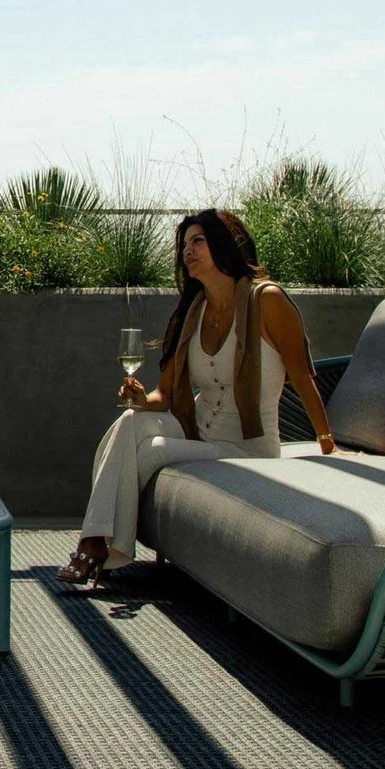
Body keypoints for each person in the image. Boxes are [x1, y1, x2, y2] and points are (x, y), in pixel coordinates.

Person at [56, 209, 337, 587]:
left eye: (197, 241)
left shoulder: (266, 299)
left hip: (246, 446)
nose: (187, 251)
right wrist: (141, 400)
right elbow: (166, 395)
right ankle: (97, 545)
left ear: (223, 244)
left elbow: (303, 377)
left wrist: (326, 441)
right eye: (183, 245)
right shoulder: (194, 310)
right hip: (198, 431)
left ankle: (97, 547)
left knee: (149, 450)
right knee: (130, 421)